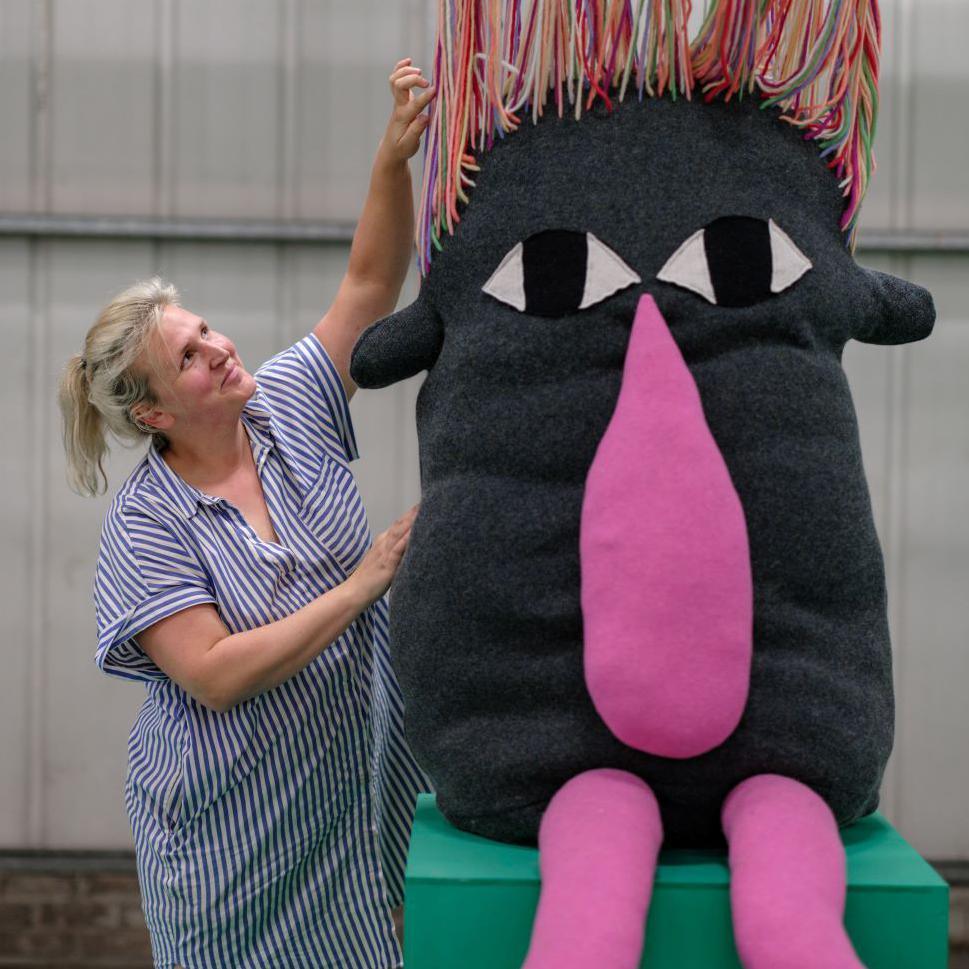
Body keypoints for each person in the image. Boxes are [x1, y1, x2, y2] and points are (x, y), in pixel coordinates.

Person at [57, 60, 435, 969]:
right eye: (191, 356)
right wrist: (365, 584)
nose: (222, 350)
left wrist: (392, 156)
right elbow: (217, 674)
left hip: (337, 794)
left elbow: (368, 286)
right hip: (228, 834)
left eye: (208, 330)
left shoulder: (287, 404)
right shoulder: (148, 525)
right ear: (153, 413)